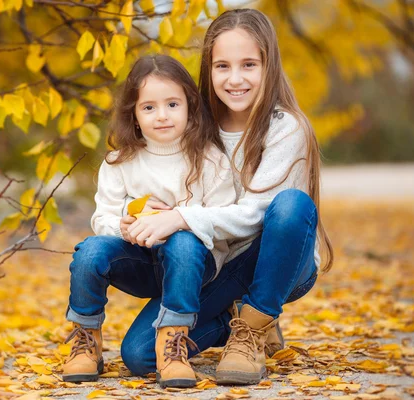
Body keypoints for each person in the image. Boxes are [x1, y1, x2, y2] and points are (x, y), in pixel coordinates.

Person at [120, 8, 334, 385]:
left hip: (282, 262)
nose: (235, 79)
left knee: (291, 205)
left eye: (248, 64)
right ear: (208, 69)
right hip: (220, 266)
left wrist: (182, 218)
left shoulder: (286, 127)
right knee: (139, 356)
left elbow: (257, 212)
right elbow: (150, 168)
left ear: (268, 66)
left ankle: (253, 325)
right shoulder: (192, 122)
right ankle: (238, 315)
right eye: (222, 66)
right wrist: (136, 212)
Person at [61, 55, 237, 388]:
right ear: (134, 115)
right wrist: (124, 225)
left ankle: (174, 345)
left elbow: (224, 219)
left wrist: (179, 219)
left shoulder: (210, 158)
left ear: (189, 105)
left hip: (195, 266)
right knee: (90, 251)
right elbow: (103, 218)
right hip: (143, 261)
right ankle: (86, 340)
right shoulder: (119, 161)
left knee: (183, 243)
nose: (162, 115)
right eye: (149, 107)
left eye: (172, 104)